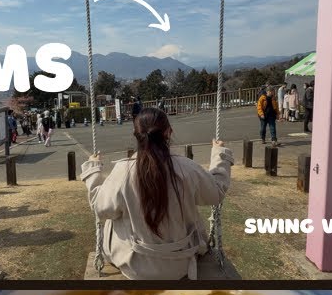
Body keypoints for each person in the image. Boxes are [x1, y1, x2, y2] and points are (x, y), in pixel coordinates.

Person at [80, 107, 233, 279]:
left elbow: (101, 208)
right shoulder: (188, 168)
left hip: (134, 264)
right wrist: (219, 155)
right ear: (169, 132)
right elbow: (216, 192)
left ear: (135, 134)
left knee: (114, 217)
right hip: (181, 263)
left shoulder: (123, 172)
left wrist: (93, 170)